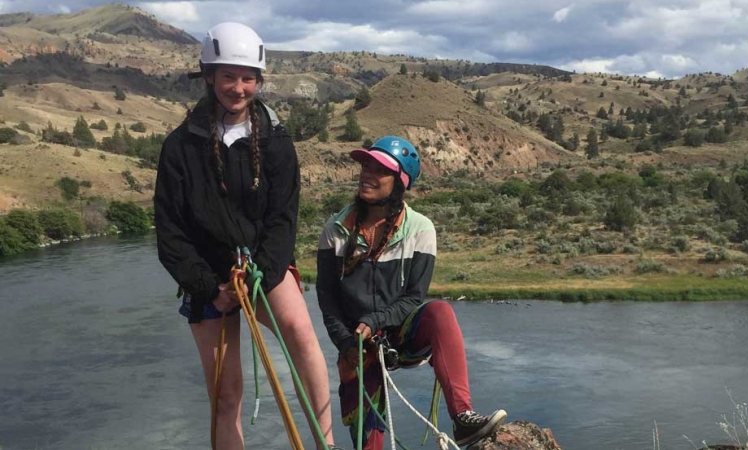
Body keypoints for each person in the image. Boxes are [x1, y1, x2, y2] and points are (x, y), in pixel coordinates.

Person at [154, 22, 341, 450]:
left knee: (300, 333)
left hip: (261, 268)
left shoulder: (275, 141)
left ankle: (324, 443)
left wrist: (265, 272)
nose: (238, 88)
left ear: (258, 81)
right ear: (208, 77)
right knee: (226, 394)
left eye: (248, 78)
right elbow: (171, 230)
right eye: (228, 76)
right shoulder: (180, 147)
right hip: (207, 277)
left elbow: (282, 219)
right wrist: (209, 288)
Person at [316, 136, 507, 449]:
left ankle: (462, 417)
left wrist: (377, 320)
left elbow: (414, 297)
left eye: (379, 169)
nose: (367, 173)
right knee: (368, 437)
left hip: (402, 333)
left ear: (399, 182)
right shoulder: (335, 229)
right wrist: (346, 342)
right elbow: (327, 298)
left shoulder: (420, 229)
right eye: (366, 165)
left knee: (439, 312)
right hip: (357, 343)